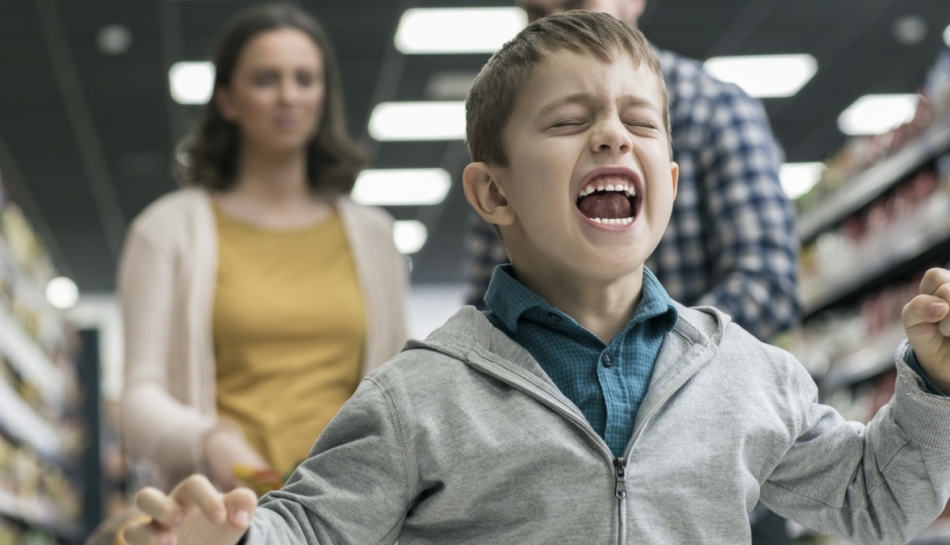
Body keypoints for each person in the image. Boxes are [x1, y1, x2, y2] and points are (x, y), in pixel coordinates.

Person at [123, 13, 950, 545]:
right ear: (494, 193)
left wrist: (934, 388)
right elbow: (311, 526)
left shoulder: (747, 375)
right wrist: (229, 537)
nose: (611, 139)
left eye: (640, 123)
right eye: (568, 121)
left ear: (670, 170)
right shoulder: (419, 395)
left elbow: (877, 498)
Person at [117, 3, 407, 494]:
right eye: (265, 79)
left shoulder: (373, 235)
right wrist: (209, 441)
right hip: (224, 511)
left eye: (305, 78)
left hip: (352, 514)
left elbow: (401, 385)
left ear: (323, 95)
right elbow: (137, 400)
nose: (289, 96)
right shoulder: (166, 231)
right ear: (227, 101)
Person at [465, 0, 799, 344]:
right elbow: (485, 294)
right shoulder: (510, 136)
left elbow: (765, 281)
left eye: (576, 4)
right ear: (495, 192)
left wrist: (654, 351)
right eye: (536, 14)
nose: (556, 23)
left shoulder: (716, 108)